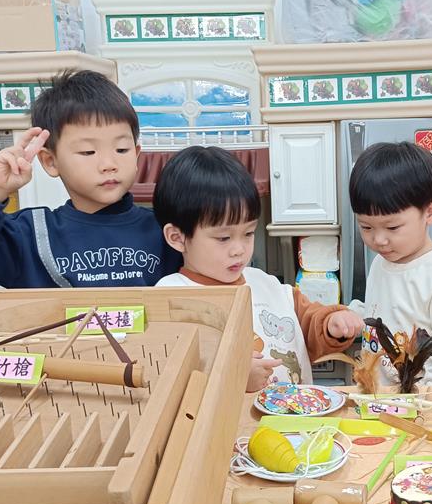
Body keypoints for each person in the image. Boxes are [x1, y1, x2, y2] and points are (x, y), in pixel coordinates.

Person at [0, 70, 178, 288]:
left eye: (121, 149)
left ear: (136, 154)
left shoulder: (165, 230)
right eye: (88, 152)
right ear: (50, 161)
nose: (109, 164)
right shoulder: (31, 236)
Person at [154, 145, 362, 392]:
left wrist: (331, 324)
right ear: (177, 238)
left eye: (248, 233)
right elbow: (171, 379)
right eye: (223, 238)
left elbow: (309, 322)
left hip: (294, 414)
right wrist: (234, 378)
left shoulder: (265, 284)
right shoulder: (168, 298)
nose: (239, 249)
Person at [349, 141, 432, 386]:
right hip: (376, 399)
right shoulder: (381, 262)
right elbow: (381, 311)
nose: (378, 240)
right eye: (366, 227)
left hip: (418, 406)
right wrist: (354, 316)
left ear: (430, 212)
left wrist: (416, 403)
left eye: (392, 227)